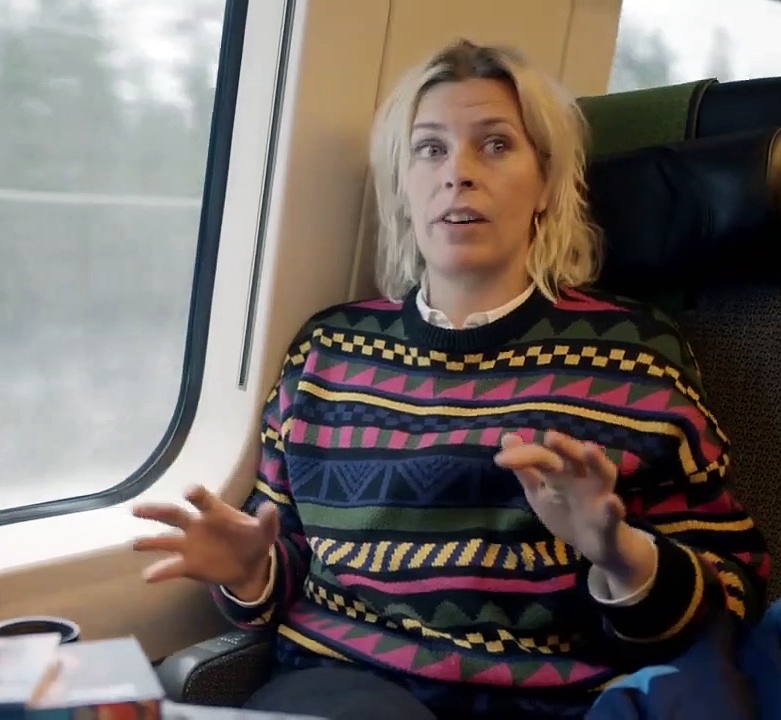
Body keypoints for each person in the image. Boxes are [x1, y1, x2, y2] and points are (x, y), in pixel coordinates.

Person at [131, 38, 771, 720]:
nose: (458, 173)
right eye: (430, 149)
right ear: (404, 187)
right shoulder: (326, 352)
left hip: (551, 703)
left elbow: (733, 590)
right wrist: (248, 572)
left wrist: (620, 554)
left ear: (546, 184)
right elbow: (284, 553)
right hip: (348, 685)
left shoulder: (635, 355)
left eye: (495, 145)